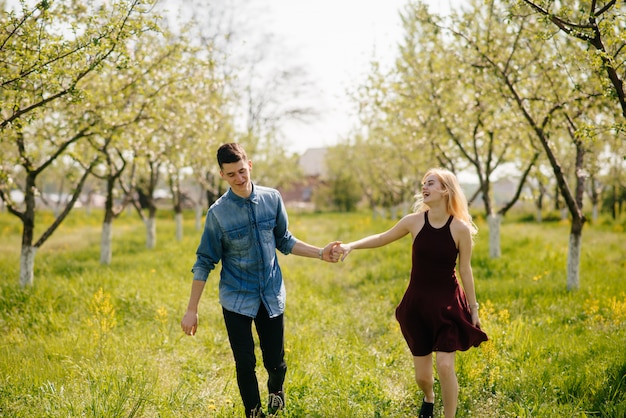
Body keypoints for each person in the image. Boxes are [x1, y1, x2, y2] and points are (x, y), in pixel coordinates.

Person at [181, 143, 341, 418]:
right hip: (236, 298)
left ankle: (276, 393)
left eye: (242, 171)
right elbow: (204, 260)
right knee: (245, 363)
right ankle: (253, 413)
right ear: (222, 175)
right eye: (231, 175)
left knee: (276, 364)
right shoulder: (218, 214)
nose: (240, 179)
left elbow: (284, 240)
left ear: (250, 165)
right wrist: (192, 309)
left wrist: (320, 253)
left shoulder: (272, 198)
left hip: (270, 293)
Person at [334, 168, 488, 418]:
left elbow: (466, 270)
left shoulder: (460, 229)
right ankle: (429, 397)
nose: (424, 187)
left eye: (430, 183)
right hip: (417, 305)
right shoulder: (414, 221)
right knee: (423, 377)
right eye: (423, 184)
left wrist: (474, 309)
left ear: (445, 190)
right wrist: (351, 245)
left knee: (446, 366)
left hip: (447, 304)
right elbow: (383, 238)